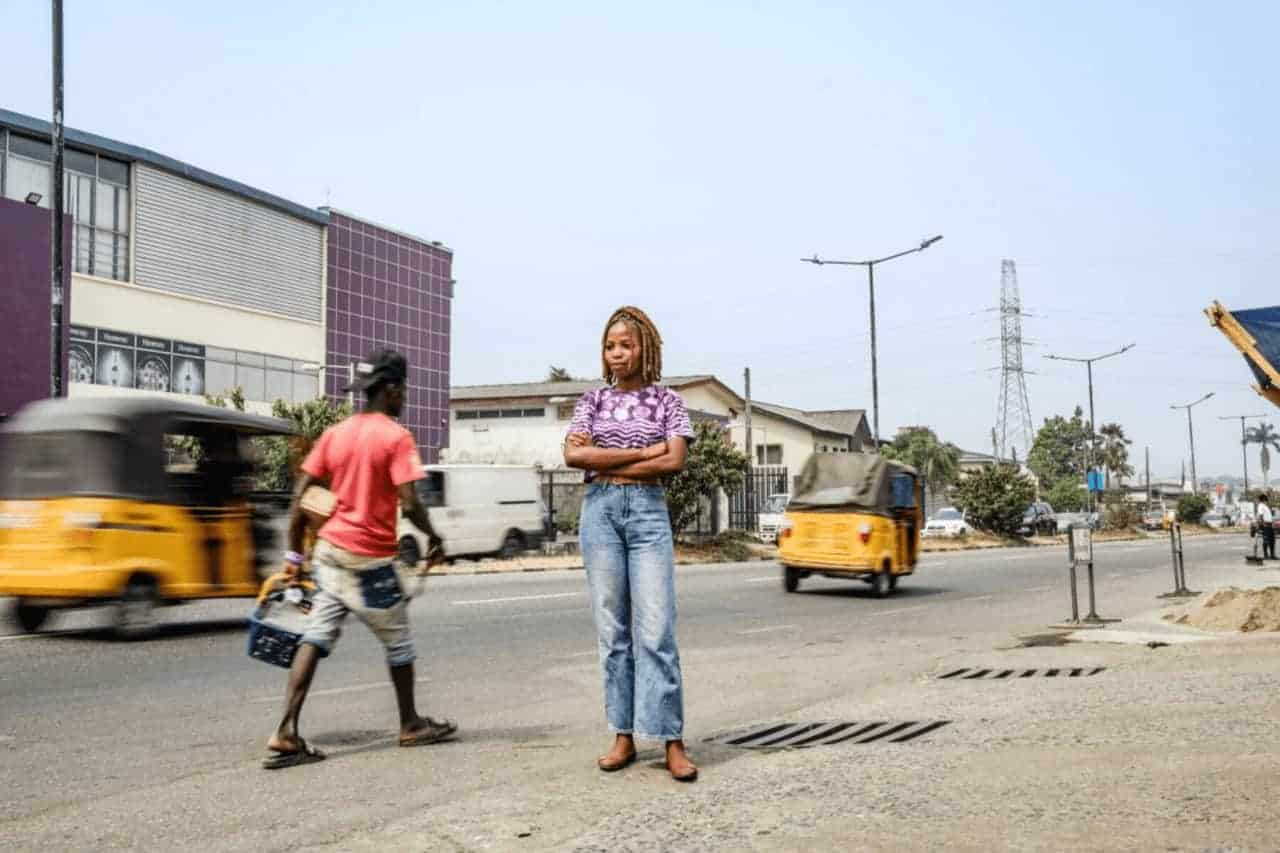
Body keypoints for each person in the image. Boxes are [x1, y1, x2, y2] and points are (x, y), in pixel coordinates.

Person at [263, 349, 455, 769]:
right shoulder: (396, 437)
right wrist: (434, 536)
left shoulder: (336, 434)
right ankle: (410, 723)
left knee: (315, 636)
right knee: (398, 642)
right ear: (391, 389)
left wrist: (294, 555)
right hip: (369, 561)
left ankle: (285, 731)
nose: (405, 397)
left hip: (329, 554)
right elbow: (410, 503)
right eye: (403, 389)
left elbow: (299, 497)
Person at [564, 306, 699, 782]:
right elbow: (573, 455)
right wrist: (644, 450)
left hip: (647, 513)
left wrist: (605, 459)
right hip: (599, 513)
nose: (617, 353)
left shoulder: (667, 401)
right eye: (610, 346)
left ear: (646, 349)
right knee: (613, 632)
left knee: (657, 630)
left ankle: (671, 738)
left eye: (626, 345)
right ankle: (622, 735)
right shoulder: (592, 401)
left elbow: (674, 460)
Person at [1259, 494, 1276, 560]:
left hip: (1270, 525)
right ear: (1263, 500)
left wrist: (1272, 523)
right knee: (1266, 540)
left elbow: (1269, 516)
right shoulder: (1261, 506)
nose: (1267, 501)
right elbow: (1261, 515)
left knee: (1272, 540)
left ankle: (1272, 555)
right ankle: (1265, 555)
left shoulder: (1265, 506)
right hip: (1266, 525)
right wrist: (1263, 524)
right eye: (1266, 499)